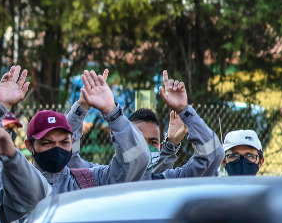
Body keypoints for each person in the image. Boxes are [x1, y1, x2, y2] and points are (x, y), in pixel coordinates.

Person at [0, 68, 145, 191]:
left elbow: (135, 159)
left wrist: (111, 111)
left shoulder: (89, 181)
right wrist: (0, 106)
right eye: (47, 142)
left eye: (64, 142)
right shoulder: (14, 183)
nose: (56, 148)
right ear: (29, 146)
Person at [77, 71, 221, 179]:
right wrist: (82, 107)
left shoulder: (167, 184)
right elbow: (66, 157)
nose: (144, 149)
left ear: (159, 148)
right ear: (121, 142)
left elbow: (213, 152)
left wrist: (185, 111)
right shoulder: (103, 179)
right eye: (138, 139)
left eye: (152, 142)